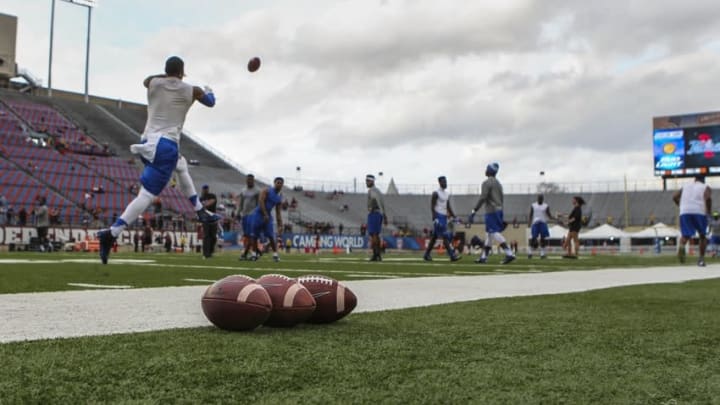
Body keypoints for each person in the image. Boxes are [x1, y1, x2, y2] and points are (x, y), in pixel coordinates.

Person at [97, 56, 220, 264]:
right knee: (146, 196)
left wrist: (169, 76)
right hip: (166, 145)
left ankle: (201, 211)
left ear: (165, 70)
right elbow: (211, 103)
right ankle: (111, 233)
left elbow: (147, 80)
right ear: (183, 72)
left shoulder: (153, 83)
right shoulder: (192, 89)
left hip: (148, 142)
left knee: (181, 167)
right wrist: (209, 90)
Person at [469, 162, 515, 264]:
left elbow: (483, 197)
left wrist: (474, 211)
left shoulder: (486, 183)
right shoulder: (499, 184)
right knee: (489, 235)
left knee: (493, 232)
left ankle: (509, 253)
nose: (485, 170)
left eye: (486, 168)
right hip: (499, 210)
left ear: (490, 171)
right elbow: (502, 199)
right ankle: (484, 257)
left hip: (491, 211)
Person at [673, 175, 712, 266]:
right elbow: (708, 198)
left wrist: (681, 206)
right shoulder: (705, 187)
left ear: (695, 179)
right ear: (703, 180)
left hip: (685, 211)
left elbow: (674, 197)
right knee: (703, 235)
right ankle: (701, 259)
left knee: (686, 235)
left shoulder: (685, 186)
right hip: (699, 211)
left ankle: (682, 245)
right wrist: (709, 213)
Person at [423, 176, 461, 262]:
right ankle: (452, 255)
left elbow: (448, 207)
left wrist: (455, 217)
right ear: (439, 182)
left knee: (435, 237)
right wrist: (434, 218)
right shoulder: (436, 193)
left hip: (444, 217)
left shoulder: (447, 194)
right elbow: (432, 206)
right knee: (445, 236)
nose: (445, 183)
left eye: (446, 181)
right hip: (438, 217)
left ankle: (426, 254)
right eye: (443, 182)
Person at [247, 177, 285, 262]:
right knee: (254, 235)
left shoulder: (279, 197)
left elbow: (278, 213)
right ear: (274, 183)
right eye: (277, 182)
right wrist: (265, 214)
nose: (279, 184)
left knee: (271, 235)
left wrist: (280, 225)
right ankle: (254, 255)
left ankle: (275, 255)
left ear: (282, 185)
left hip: (268, 215)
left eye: (281, 183)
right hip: (258, 214)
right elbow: (261, 201)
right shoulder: (266, 190)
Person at [237, 174, 260, 261]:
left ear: (253, 180)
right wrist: (238, 213)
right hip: (244, 215)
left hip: (253, 215)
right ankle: (255, 252)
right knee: (246, 235)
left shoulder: (257, 191)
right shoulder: (243, 190)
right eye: (248, 180)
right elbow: (241, 204)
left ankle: (249, 253)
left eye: (251, 180)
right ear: (246, 180)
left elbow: (259, 204)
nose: (249, 181)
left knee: (252, 235)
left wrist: (258, 215)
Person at [366, 174, 388, 261]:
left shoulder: (373, 191)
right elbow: (382, 203)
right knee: (375, 235)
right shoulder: (377, 190)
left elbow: (377, 201)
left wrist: (383, 214)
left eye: (368, 181)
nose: (366, 183)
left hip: (374, 213)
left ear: (372, 181)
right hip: (377, 213)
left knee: (374, 235)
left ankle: (376, 254)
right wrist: (384, 214)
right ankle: (377, 254)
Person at [528, 194, 555, 259]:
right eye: (539, 198)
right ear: (537, 198)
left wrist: (554, 218)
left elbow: (549, 215)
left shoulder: (546, 206)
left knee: (543, 239)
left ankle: (542, 254)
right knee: (533, 239)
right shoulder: (533, 205)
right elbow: (530, 215)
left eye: (541, 198)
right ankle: (530, 253)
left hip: (543, 223)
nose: (540, 199)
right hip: (535, 223)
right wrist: (529, 223)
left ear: (543, 199)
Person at [200, 185, 218, 259]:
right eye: (204, 189)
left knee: (213, 236)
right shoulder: (201, 198)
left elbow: (211, 202)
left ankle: (210, 251)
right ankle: (206, 253)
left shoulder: (212, 196)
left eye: (206, 189)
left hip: (213, 218)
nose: (205, 190)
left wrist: (204, 205)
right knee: (206, 236)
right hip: (205, 219)